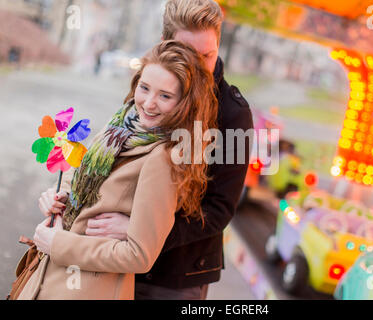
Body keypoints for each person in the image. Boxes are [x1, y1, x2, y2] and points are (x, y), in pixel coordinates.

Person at [40, 0, 253, 300]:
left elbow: (220, 209)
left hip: (172, 277)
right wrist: (71, 197)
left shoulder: (233, 115)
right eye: (188, 55)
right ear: (166, 45)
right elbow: (114, 169)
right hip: (107, 261)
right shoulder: (149, 91)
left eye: (208, 55)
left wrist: (142, 232)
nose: (200, 66)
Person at [20, 40, 218, 299]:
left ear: (184, 103)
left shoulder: (164, 159)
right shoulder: (119, 126)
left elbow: (139, 255)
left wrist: (59, 244)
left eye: (165, 96)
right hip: (48, 279)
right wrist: (60, 197)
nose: (148, 103)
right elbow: (81, 174)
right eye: (144, 88)